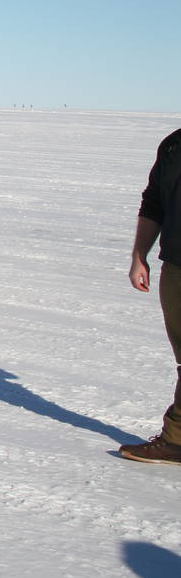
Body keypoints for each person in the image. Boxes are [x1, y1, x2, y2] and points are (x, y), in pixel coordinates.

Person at [121, 127, 181, 463]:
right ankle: (176, 440)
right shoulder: (174, 145)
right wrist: (139, 255)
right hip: (176, 265)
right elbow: (154, 200)